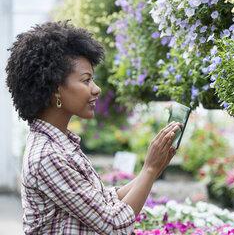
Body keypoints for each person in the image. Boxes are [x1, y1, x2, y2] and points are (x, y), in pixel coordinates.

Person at [6, 21, 181, 234]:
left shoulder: (61, 143)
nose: (96, 89)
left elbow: (105, 199)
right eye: (86, 80)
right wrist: (149, 170)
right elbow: (114, 225)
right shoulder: (47, 156)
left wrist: (155, 167)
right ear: (56, 90)